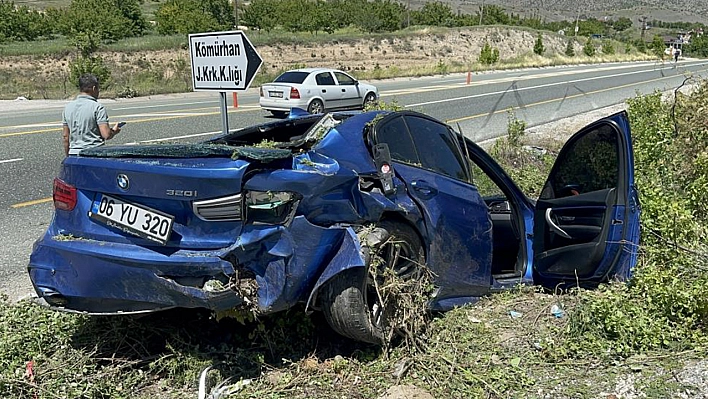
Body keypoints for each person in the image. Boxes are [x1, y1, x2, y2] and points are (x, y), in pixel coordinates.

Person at [62, 73, 121, 156]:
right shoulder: (97, 107)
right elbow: (106, 134)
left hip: (74, 153)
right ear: (94, 88)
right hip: (94, 153)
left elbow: (65, 136)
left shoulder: (68, 108)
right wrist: (114, 131)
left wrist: (68, 155)